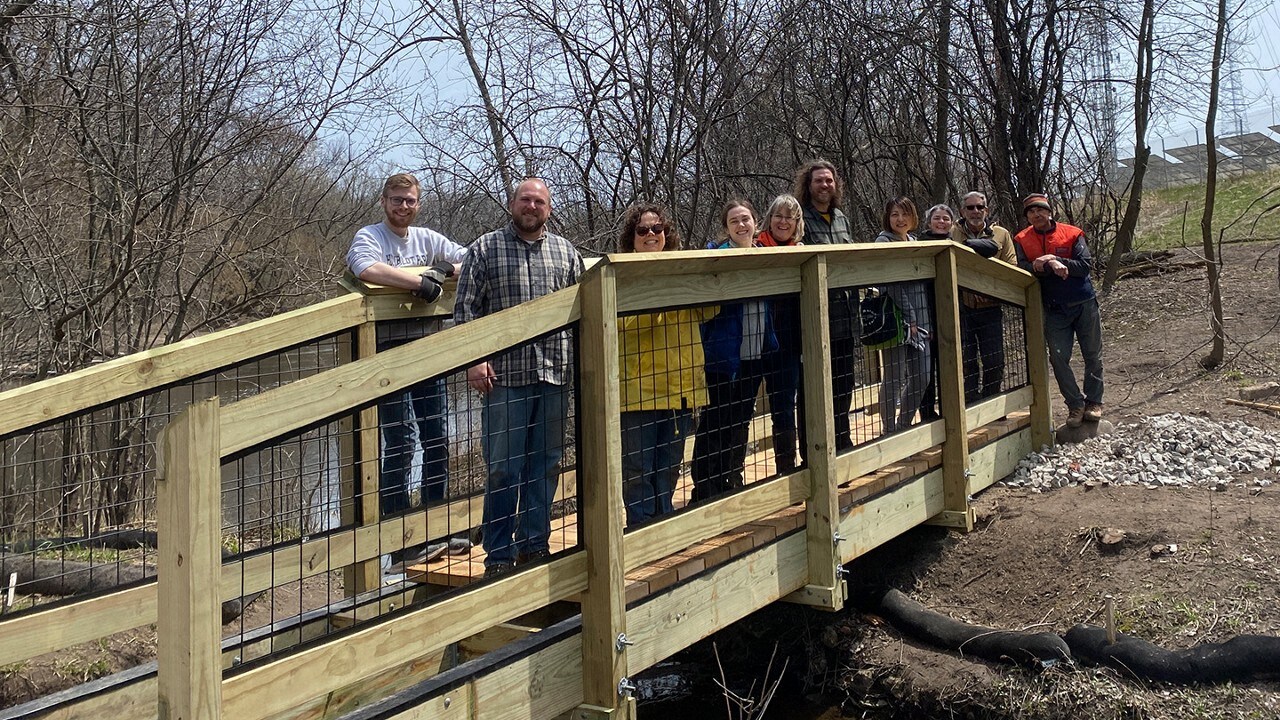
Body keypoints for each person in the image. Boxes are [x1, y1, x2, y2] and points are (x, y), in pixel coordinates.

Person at [454, 178, 585, 577]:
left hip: (554, 373)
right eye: (525, 199)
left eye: (540, 201)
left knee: (545, 464)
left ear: (549, 208)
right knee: (502, 468)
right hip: (503, 377)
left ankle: (534, 544)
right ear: (513, 204)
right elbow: (465, 311)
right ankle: (497, 554)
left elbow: (584, 311)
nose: (532, 206)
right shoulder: (485, 248)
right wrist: (475, 360)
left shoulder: (566, 252)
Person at [346, 173, 467, 569]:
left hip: (428, 349)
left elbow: (470, 260)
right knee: (401, 441)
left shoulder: (429, 239)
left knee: (437, 436)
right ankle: (400, 538)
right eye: (397, 200)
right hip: (386, 352)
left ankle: (437, 527)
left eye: (410, 201)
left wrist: (442, 270)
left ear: (419, 203)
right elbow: (364, 268)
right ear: (383, 201)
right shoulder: (371, 236)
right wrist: (418, 280)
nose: (403, 207)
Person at [615, 204, 711, 524]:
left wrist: (700, 281)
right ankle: (641, 526)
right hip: (638, 390)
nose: (651, 235)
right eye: (643, 230)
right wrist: (657, 295)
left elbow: (710, 310)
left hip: (680, 387)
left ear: (667, 234)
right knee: (637, 466)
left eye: (657, 229)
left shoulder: (680, 268)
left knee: (670, 463)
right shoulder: (619, 273)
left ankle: (665, 521)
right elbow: (619, 325)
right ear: (632, 237)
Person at [691, 200, 778, 501]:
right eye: (734, 221)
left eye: (746, 219)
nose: (741, 225)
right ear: (726, 228)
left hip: (757, 354)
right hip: (724, 357)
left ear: (756, 222)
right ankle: (704, 486)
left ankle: (731, 476)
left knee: (741, 420)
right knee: (716, 421)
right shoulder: (717, 257)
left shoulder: (766, 256)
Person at [1013, 193, 1103, 428]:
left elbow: (1084, 266)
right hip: (1053, 309)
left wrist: (1053, 258)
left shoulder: (1073, 233)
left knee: (1092, 354)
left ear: (1049, 211)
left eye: (1040, 209)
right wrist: (1043, 265)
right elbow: (1021, 267)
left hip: (1083, 303)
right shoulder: (1022, 239)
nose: (1037, 214)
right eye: (1031, 211)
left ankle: (1094, 402)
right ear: (1027, 216)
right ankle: (1075, 404)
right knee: (1058, 358)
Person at [792, 160, 859, 451]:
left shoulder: (841, 218)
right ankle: (812, 449)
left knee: (844, 385)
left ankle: (842, 441)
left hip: (845, 316)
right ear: (809, 186)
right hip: (815, 318)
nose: (824, 185)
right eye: (819, 181)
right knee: (814, 389)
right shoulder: (800, 219)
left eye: (829, 181)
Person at [873, 197, 933, 434]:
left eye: (905, 214)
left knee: (922, 377)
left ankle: (903, 425)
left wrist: (924, 321)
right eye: (895, 214)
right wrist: (911, 318)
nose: (900, 219)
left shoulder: (915, 241)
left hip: (922, 321)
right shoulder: (882, 241)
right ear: (888, 218)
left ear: (913, 217)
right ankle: (888, 431)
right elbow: (891, 282)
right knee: (894, 377)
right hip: (896, 320)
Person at [951, 191, 1018, 402]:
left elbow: (1012, 268)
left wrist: (988, 289)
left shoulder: (1000, 234)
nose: (975, 211)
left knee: (994, 360)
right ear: (962, 211)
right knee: (967, 360)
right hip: (960, 307)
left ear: (986, 210)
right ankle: (970, 404)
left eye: (980, 207)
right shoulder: (951, 233)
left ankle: (992, 403)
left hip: (990, 307)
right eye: (970, 208)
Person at [755, 194, 805, 473]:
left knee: (784, 407)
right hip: (753, 341)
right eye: (778, 215)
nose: (783, 221)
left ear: (796, 223)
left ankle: (786, 467)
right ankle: (730, 476)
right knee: (739, 410)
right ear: (769, 218)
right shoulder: (754, 246)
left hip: (787, 342)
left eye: (789, 217)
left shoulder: (803, 252)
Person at [915, 204, 955, 422]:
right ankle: (927, 414)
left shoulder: (956, 245)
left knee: (950, 366)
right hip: (925, 313)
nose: (941, 222)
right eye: (937, 218)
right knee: (926, 371)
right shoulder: (919, 245)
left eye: (946, 219)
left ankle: (951, 410)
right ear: (929, 222)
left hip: (951, 313)